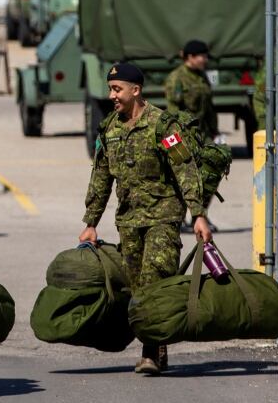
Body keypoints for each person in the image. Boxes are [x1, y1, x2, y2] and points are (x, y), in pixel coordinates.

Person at [79, 63, 213, 375]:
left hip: (163, 217)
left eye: (117, 89)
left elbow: (185, 168)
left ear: (135, 91)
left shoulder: (162, 125)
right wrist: (90, 223)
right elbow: (100, 179)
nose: (112, 95)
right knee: (138, 288)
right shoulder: (109, 130)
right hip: (128, 221)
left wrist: (198, 214)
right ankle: (158, 344)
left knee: (155, 281)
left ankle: (150, 352)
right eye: (110, 89)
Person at [165, 39, 218, 142]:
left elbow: (209, 107)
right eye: (202, 56)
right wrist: (175, 138)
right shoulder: (176, 78)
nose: (206, 60)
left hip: (203, 133)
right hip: (185, 134)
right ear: (190, 57)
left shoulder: (201, 76)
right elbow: (173, 109)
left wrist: (214, 130)